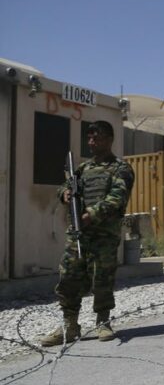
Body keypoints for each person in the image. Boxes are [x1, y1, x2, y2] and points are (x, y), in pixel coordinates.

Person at [40, 120, 135, 347]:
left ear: (110, 139)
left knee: (101, 278)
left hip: (103, 235)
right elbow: (63, 187)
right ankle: (69, 325)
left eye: (97, 137)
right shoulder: (82, 169)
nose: (91, 142)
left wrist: (91, 214)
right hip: (77, 235)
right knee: (68, 277)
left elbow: (117, 198)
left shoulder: (120, 168)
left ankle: (103, 321)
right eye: (89, 138)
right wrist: (64, 193)